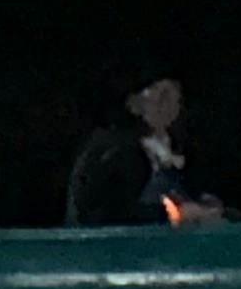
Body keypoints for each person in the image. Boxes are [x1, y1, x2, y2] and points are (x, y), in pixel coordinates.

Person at [65, 69, 226, 226]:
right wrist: (173, 214)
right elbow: (104, 213)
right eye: (161, 96)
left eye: (175, 96)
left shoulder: (182, 151)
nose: (168, 104)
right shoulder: (112, 151)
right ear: (134, 104)